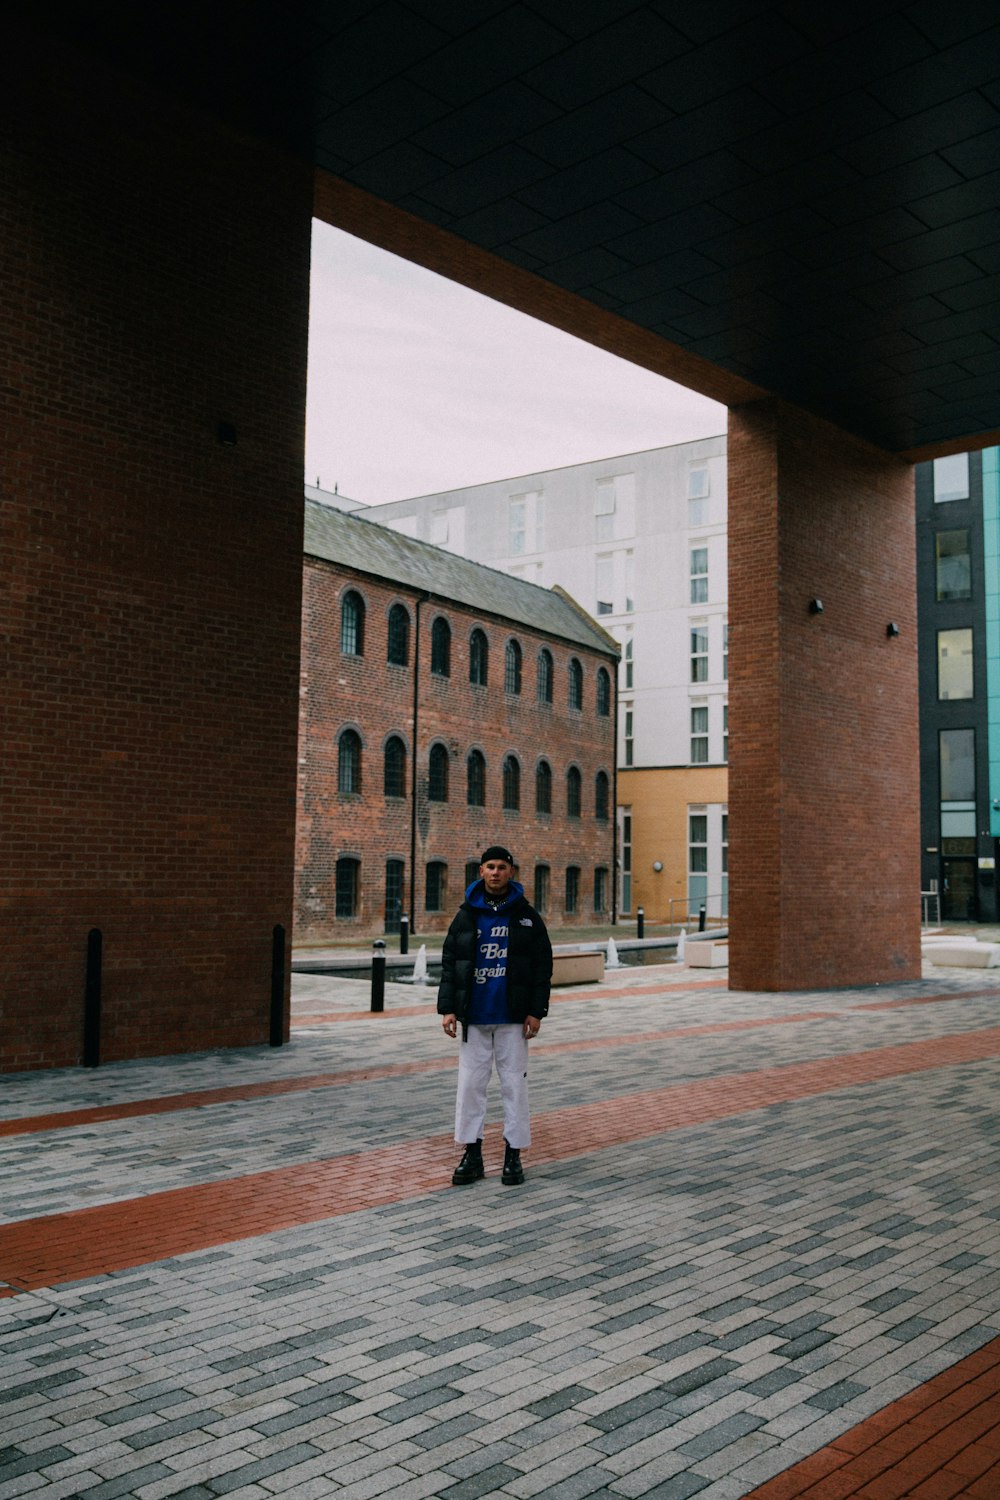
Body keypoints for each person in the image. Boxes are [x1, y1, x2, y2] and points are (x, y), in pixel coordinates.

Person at [437, 845, 552, 1186]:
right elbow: (449, 964)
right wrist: (447, 1008)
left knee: (514, 1086)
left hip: (512, 1018)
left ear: (511, 872)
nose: (496, 872)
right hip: (475, 1016)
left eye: (502, 866)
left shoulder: (526, 917)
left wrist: (536, 1011)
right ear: (481, 872)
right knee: (471, 1087)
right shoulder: (465, 916)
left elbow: (541, 967)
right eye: (490, 866)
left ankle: (513, 1155)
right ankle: (471, 1154)